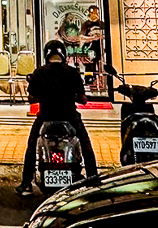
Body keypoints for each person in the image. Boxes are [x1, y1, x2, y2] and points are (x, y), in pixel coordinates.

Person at [15, 38, 97, 196]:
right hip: (70, 117)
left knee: (31, 146)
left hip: (46, 117)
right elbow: (83, 98)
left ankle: (26, 184)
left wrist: (43, 96)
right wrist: (77, 97)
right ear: (63, 55)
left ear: (46, 55)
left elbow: (31, 98)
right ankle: (93, 181)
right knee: (86, 146)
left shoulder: (39, 72)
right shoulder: (72, 72)